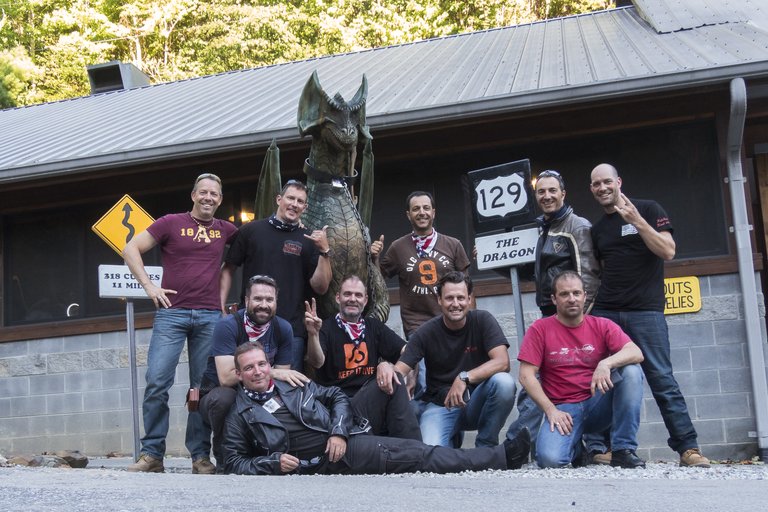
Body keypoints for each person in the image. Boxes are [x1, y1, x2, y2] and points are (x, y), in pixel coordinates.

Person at [221, 342, 531, 475]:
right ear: (239, 374)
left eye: (262, 364)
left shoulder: (290, 384)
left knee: (391, 377)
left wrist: (339, 430)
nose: (258, 371)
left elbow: (335, 396)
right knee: (417, 454)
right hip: (332, 458)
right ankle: (501, 457)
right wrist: (272, 462)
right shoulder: (240, 414)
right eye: (249, 368)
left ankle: (412, 455)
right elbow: (233, 461)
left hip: (343, 434)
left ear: (270, 365)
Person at [588, 163, 710, 468]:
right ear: (592, 189)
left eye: (606, 182)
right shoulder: (598, 229)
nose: (602, 188)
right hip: (607, 312)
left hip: (646, 312)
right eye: (596, 184)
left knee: (662, 380)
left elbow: (668, 251)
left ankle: (688, 448)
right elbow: (599, 272)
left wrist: (638, 221)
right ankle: (603, 447)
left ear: (618, 181)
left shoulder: (649, 209)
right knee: (604, 379)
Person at [122, 173, 238, 474]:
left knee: (201, 388)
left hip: (210, 316)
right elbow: (130, 249)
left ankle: (200, 456)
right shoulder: (170, 223)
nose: (208, 197)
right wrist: (149, 286)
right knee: (157, 381)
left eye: (214, 194)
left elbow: (249, 251)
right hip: (171, 313)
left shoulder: (226, 230)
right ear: (193, 195)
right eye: (203, 192)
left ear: (220, 199)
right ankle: (152, 455)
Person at [506, 170, 601, 454]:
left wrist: (579, 323)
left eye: (552, 191)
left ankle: (595, 446)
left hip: (572, 319)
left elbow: (588, 277)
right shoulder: (540, 228)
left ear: (563, 193)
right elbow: (532, 272)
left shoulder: (577, 226)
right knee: (543, 380)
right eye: (541, 192)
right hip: (548, 316)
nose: (546, 196)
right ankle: (548, 445)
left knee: (573, 378)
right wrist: (495, 261)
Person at [518, 271, 646, 469]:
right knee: (550, 460)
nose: (572, 299)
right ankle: (576, 449)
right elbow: (526, 376)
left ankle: (623, 450)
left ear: (585, 296)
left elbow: (635, 352)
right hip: (564, 410)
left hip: (598, 402)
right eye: (564, 294)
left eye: (576, 293)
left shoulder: (602, 325)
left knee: (632, 371)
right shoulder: (540, 329)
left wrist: (605, 364)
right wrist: (551, 410)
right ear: (554, 299)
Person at [394, 271, 516, 448]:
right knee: (431, 454)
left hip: (477, 403)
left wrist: (464, 377)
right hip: (441, 406)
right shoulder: (426, 332)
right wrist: (386, 369)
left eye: (461, 298)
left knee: (504, 383)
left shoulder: (483, 320)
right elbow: (399, 370)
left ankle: (486, 446)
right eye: (449, 298)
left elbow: (503, 362)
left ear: (469, 299)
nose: (456, 304)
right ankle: (452, 441)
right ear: (439, 300)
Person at [198, 274, 308, 470]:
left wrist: (275, 376)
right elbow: (226, 377)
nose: (264, 305)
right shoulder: (228, 325)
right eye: (258, 299)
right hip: (220, 394)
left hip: (259, 391)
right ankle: (226, 459)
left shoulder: (283, 328)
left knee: (285, 397)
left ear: (276, 302)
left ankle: (276, 454)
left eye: (269, 300)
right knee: (224, 399)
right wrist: (273, 372)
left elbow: (282, 379)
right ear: (247, 300)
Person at [221, 180, 332, 371]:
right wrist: (221, 308)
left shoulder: (308, 240)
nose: (294, 204)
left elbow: (320, 287)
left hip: (291, 330)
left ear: (305, 208)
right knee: (248, 380)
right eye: (290, 198)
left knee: (287, 385)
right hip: (250, 326)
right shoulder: (251, 230)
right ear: (279, 199)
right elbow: (228, 268)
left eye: (300, 201)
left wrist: (324, 251)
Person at [304, 275, 421, 440]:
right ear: (338, 298)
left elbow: (409, 352)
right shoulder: (326, 328)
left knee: (395, 377)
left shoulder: (373, 326)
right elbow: (316, 362)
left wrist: (397, 373)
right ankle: (416, 450)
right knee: (395, 383)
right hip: (339, 404)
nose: (353, 299)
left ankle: (412, 450)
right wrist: (313, 335)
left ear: (365, 300)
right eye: (347, 294)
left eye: (358, 295)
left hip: (370, 401)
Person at [372, 191, 470, 339]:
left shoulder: (453, 245)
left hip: (450, 320)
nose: (422, 212)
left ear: (433, 213)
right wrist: (374, 258)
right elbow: (377, 281)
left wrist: (470, 321)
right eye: (416, 209)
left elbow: (468, 288)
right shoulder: (398, 247)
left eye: (426, 208)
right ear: (408, 215)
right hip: (416, 325)